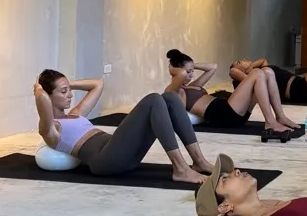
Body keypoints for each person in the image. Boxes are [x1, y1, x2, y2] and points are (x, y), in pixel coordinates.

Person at [34, 70, 213, 183]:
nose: (70, 95)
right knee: (153, 100)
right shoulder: (52, 128)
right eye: (63, 92)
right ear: (49, 96)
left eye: (69, 90)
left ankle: (199, 161)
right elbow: (42, 100)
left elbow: (98, 84)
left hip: (120, 150)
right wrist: (39, 89)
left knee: (171, 98)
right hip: (105, 160)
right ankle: (181, 169)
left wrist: (66, 83)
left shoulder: (76, 113)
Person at [166, 50, 300, 134]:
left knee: (268, 72)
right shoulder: (175, 92)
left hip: (233, 112)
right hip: (225, 115)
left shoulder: (193, 86)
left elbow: (213, 67)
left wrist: (190, 65)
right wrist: (175, 68)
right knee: (257, 73)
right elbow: (181, 75)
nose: (190, 75)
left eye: (192, 72)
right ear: (177, 72)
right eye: (187, 72)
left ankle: (280, 116)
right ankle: (270, 121)